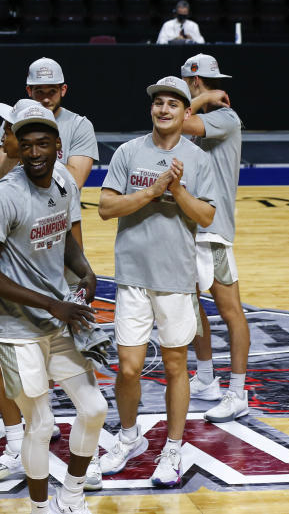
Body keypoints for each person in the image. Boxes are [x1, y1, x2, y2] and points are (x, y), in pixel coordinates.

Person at [0, 101, 106, 514]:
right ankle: (39, 507)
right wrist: (54, 303)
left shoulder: (65, 181)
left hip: (53, 319)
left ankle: (71, 495)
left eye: (42, 144)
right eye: (26, 145)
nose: (34, 153)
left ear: (58, 146)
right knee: (43, 422)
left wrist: (85, 271)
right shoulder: (3, 196)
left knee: (95, 408)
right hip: (11, 326)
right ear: (15, 146)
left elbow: (64, 235)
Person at [98, 76, 216, 487]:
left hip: (176, 279)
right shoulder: (129, 152)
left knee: (174, 365)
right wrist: (152, 193)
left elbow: (205, 216)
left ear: (186, 113)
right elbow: (105, 207)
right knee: (128, 368)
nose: (163, 109)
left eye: (172, 104)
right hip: (132, 276)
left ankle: (173, 449)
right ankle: (129, 438)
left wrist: (177, 190)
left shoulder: (199, 160)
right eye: (158, 103)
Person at [179, 54, 249, 423]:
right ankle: (206, 378)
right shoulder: (204, 113)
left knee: (230, 310)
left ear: (192, 82)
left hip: (214, 230)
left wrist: (204, 101)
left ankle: (238, 393)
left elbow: (177, 120)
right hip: (190, 226)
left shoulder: (223, 117)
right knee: (191, 307)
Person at [0, 58, 98, 191]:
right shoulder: (12, 120)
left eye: (52, 91)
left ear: (63, 90)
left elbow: (75, 182)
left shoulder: (80, 126)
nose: (45, 99)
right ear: (29, 90)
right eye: (39, 91)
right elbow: (2, 178)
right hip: (19, 204)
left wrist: (28, 153)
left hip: (60, 209)